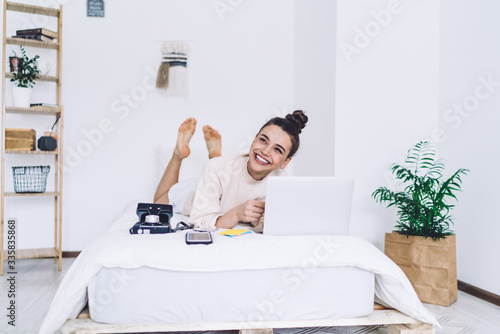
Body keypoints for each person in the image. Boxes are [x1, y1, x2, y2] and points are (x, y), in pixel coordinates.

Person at [153, 110, 308, 230]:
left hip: (222, 180)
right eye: (263, 140)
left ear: (286, 162)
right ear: (254, 139)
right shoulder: (214, 170)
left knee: (218, 170)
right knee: (159, 201)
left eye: (278, 150)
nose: (266, 151)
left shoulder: (281, 183)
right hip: (204, 188)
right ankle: (178, 154)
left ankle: (216, 157)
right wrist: (236, 213)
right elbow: (199, 222)